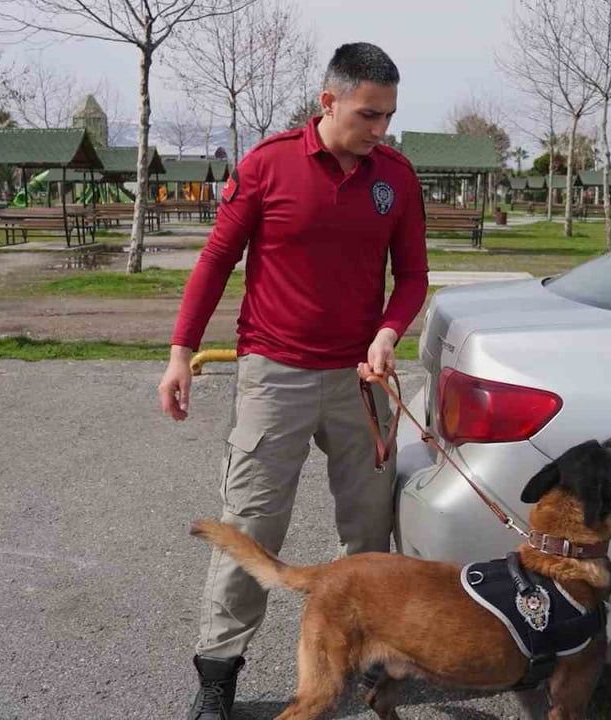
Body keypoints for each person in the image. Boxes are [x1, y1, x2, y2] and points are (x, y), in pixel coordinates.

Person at [156, 42, 428, 720]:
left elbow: (414, 276)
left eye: (388, 117)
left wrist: (389, 331)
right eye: (368, 115)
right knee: (252, 525)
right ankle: (218, 674)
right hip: (274, 374)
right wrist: (180, 352)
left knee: (369, 531)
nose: (380, 131)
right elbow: (217, 260)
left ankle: (368, 662)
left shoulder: (395, 176)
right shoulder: (268, 164)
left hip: (359, 380)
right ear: (327, 102)